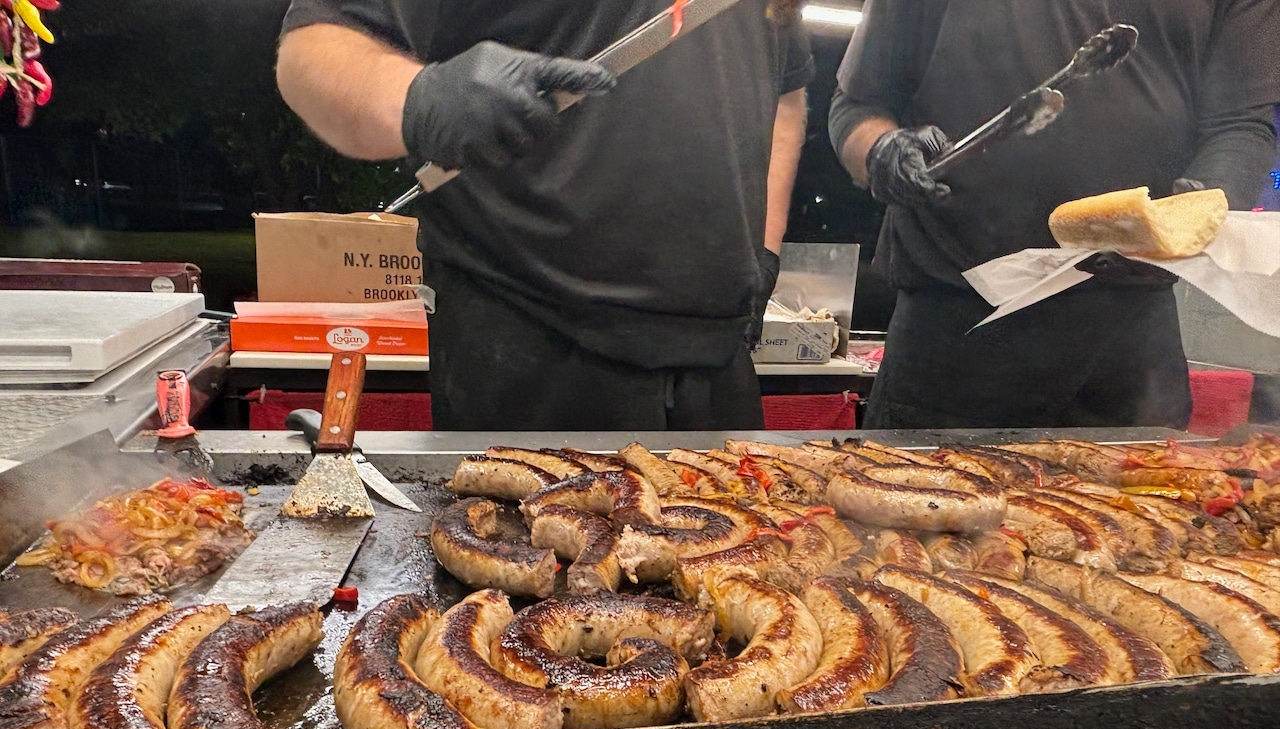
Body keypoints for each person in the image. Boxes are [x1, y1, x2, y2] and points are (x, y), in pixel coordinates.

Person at [276, 1, 814, 431]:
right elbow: (312, 51)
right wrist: (418, 99)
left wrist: (763, 250)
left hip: (719, 353)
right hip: (527, 337)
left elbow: (786, 91)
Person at [829, 1, 1280, 430]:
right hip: (954, 329)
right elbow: (857, 107)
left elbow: (1241, 124)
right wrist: (880, 153)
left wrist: (1197, 204)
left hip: (1132, 340)